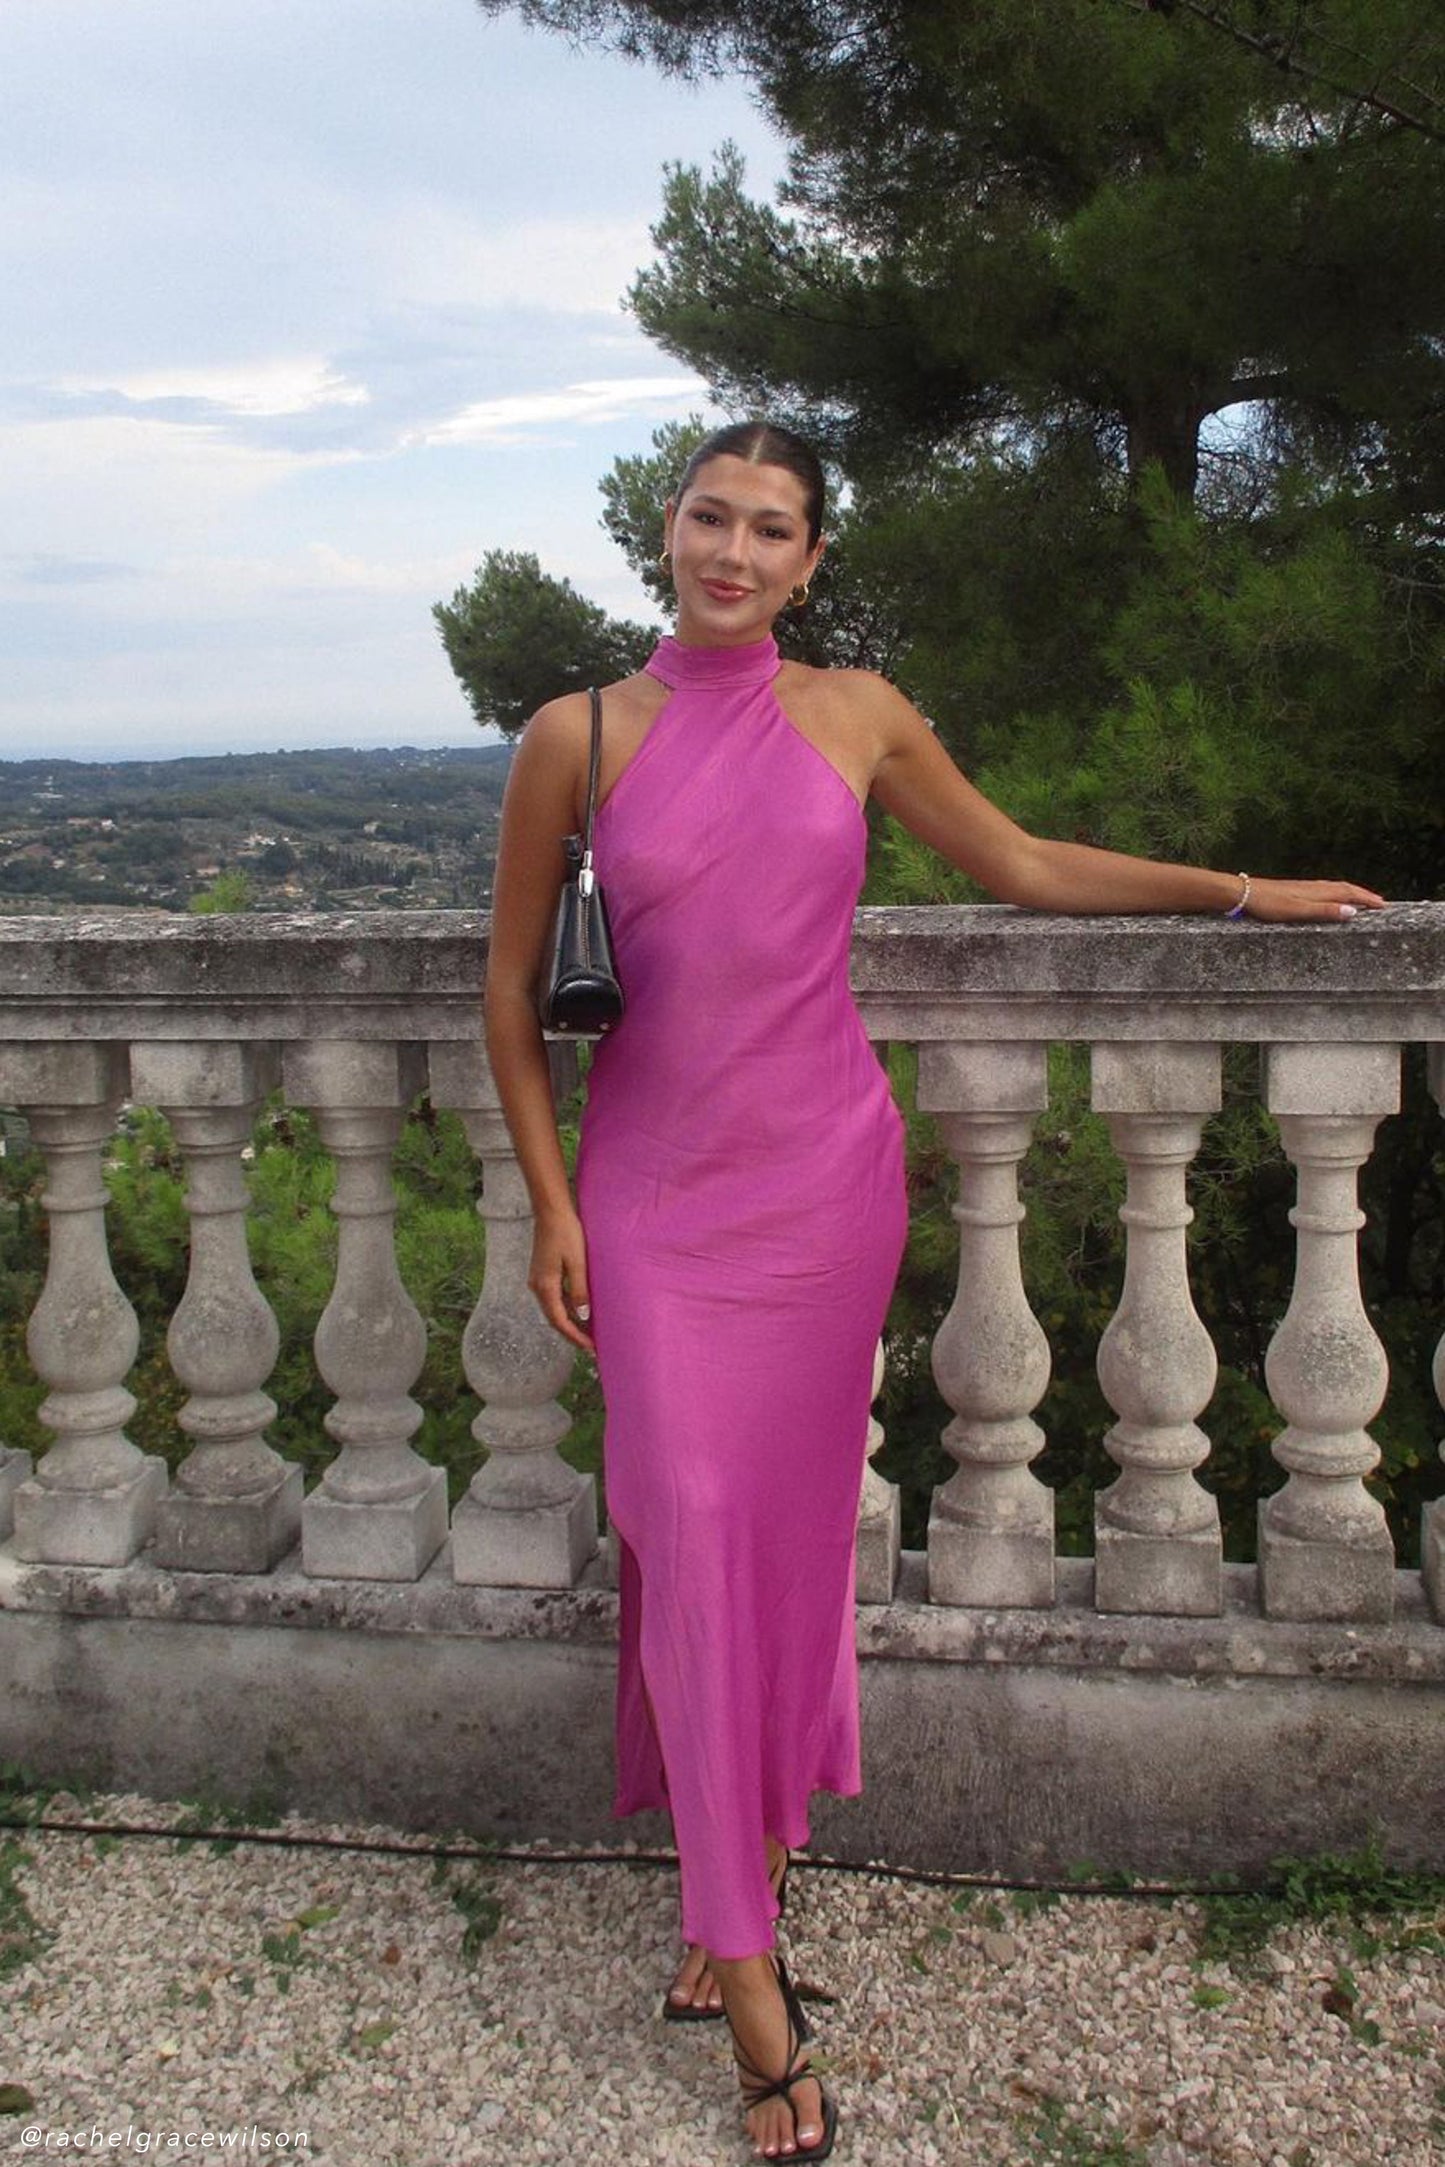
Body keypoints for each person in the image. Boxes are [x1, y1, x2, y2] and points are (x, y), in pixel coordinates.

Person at [482, 420, 1386, 2163]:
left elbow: (1023, 864)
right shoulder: (573, 737)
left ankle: (730, 1880)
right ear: (664, 529)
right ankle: (752, 1983)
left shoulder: (857, 713)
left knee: (775, 1543)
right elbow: (512, 996)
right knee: (682, 1524)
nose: (733, 552)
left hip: (824, 1185)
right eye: (709, 517)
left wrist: (1244, 894)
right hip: (656, 1201)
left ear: (812, 560)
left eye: (771, 530)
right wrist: (549, 1204)